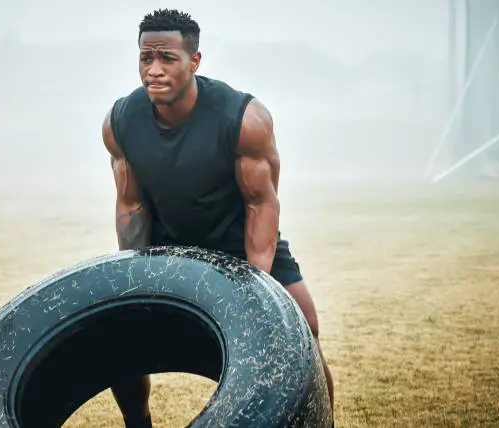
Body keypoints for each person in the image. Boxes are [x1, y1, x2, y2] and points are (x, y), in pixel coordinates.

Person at [101, 8, 334, 428]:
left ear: (194, 61)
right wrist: (134, 278)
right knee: (121, 335)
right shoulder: (120, 121)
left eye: (167, 58)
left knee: (305, 327)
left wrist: (254, 287)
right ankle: (138, 422)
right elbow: (130, 204)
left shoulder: (243, 118)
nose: (153, 70)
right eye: (145, 58)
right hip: (167, 242)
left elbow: (261, 204)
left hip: (239, 239)